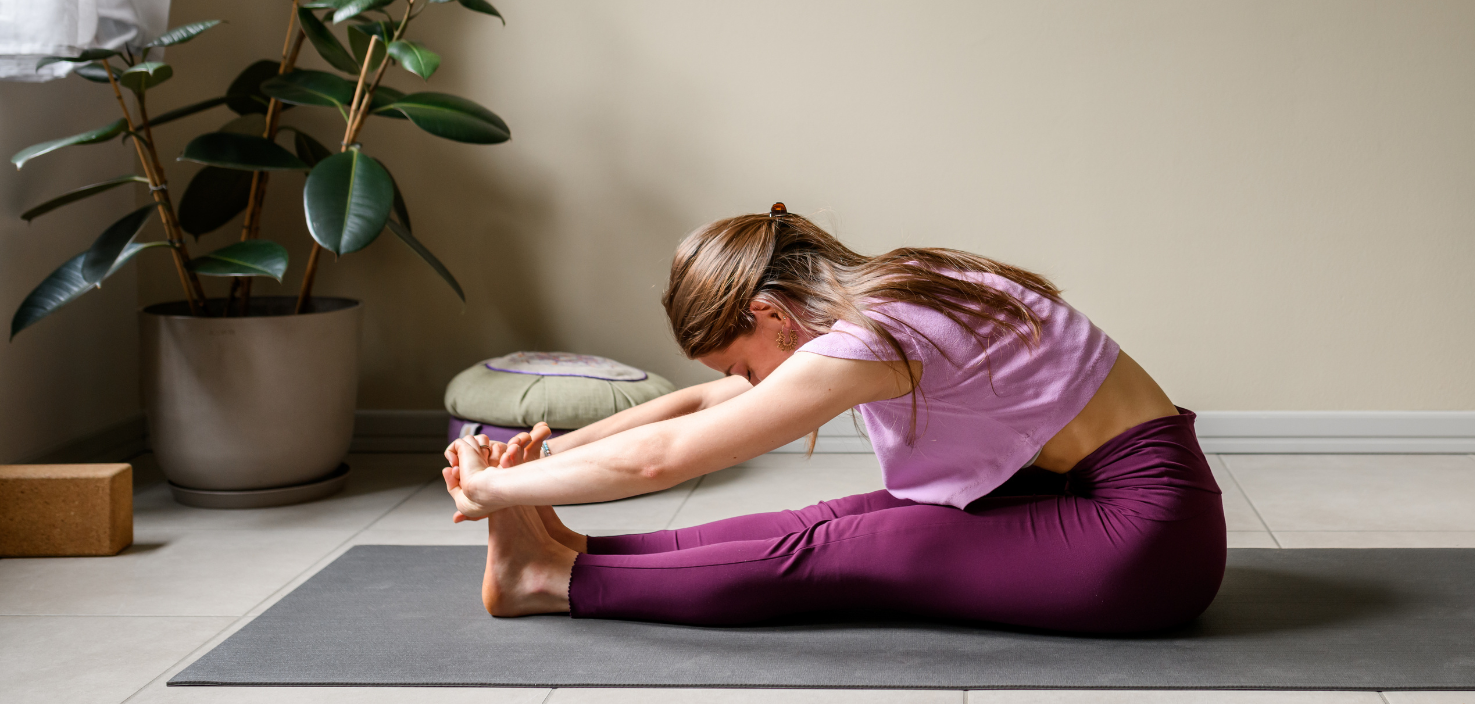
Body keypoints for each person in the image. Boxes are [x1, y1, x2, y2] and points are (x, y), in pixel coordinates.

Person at [443, 204, 1225, 632]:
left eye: (745, 363)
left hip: (1147, 539)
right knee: (828, 518)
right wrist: (544, 457)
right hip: (1090, 496)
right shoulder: (882, 295)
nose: (747, 383)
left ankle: (550, 580)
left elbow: (667, 457)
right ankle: (572, 551)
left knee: (837, 550)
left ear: (767, 312)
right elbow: (698, 406)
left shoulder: (877, 336)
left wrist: (492, 494)